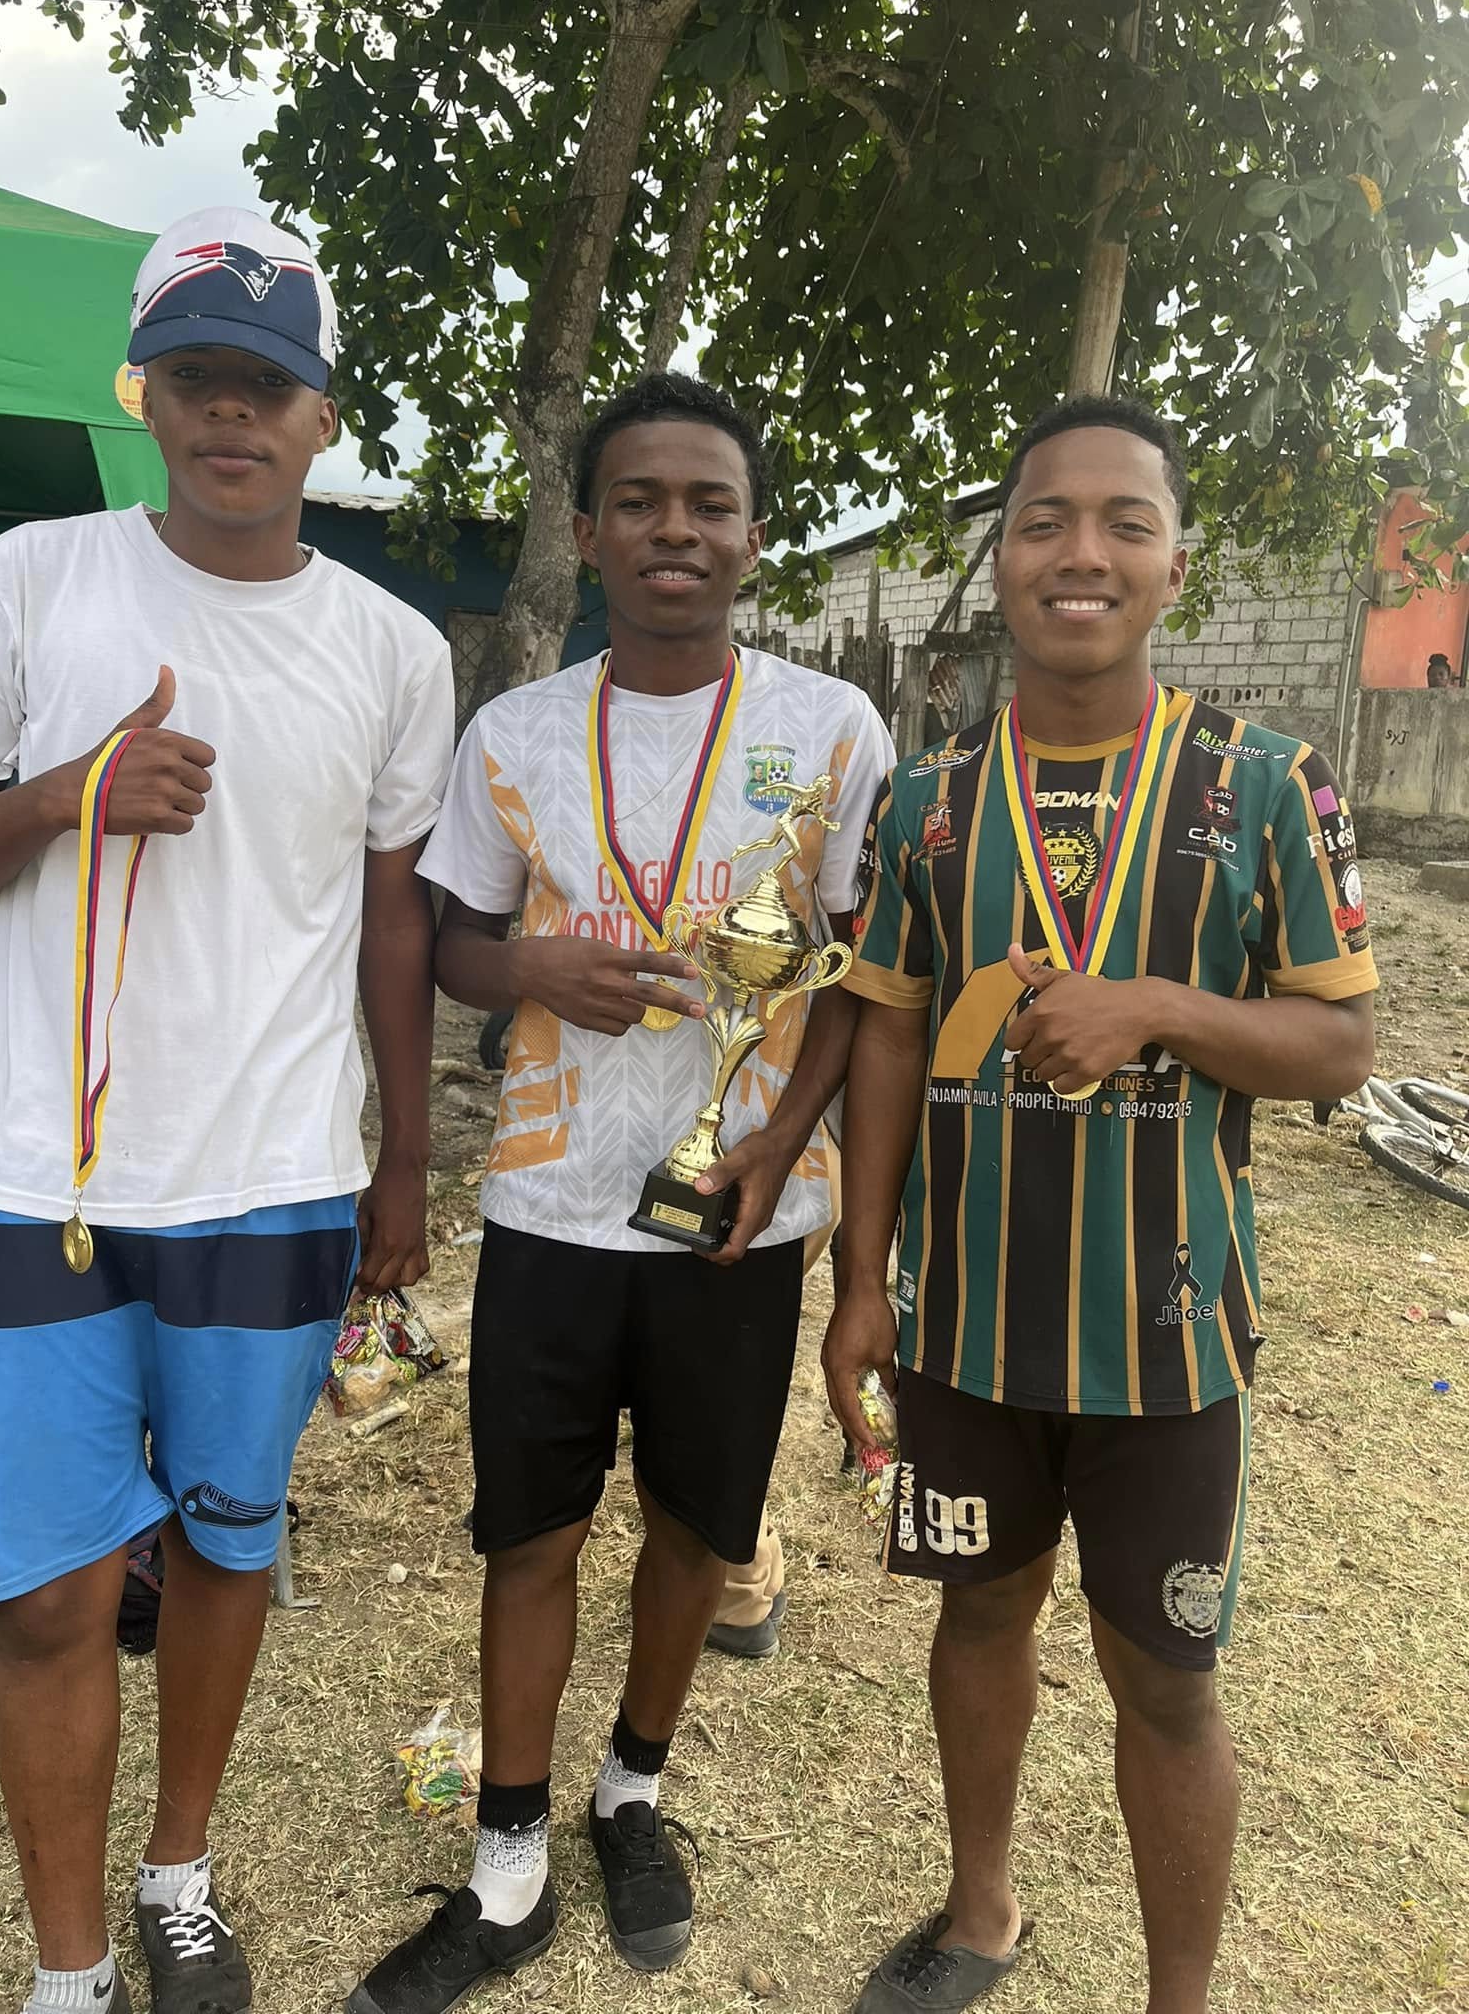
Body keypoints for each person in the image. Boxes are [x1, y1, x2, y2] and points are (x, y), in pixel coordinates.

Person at [0, 208, 452, 2014]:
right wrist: (64, 794)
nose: (235, 411)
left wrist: (405, 1159)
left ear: (323, 418)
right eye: (200, 374)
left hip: (275, 1183)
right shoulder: (32, 579)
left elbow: (398, 922)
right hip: (40, 1184)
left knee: (230, 1547)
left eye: (270, 383)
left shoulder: (393, 646)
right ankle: (68, 1973)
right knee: (49, 1600)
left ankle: (180, 1876)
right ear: (143, 392)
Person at [824, 394, 1377, 2014]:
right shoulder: (927, 801)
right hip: (966, 1326)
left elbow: (1342, 1046)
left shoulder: (1267, 782)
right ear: (1000, 559)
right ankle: (982, 1914)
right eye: (1044, 521)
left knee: (1169, 1684)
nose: (1083, 552)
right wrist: (860, 1281)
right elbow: (888, 1038)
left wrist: (1158, 1010)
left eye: (1126, 522)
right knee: (979, 1617)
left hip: (1168, 1339)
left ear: (1175, 564)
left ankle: (1177, 2000)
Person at [350, 372, 894, 2014]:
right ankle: (509, 1858)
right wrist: (532, 967)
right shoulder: (514, 732)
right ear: (587, 533)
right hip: (548, 1207)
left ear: (754, 536)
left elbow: (869, 977)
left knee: (695, 1527)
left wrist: (782, 1146)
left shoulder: (834, 731)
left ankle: (631, 1791)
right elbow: (451, 943)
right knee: (532, 1532)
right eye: (640, 501)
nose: (676, 529)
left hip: (737, 1212)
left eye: (709, 503)